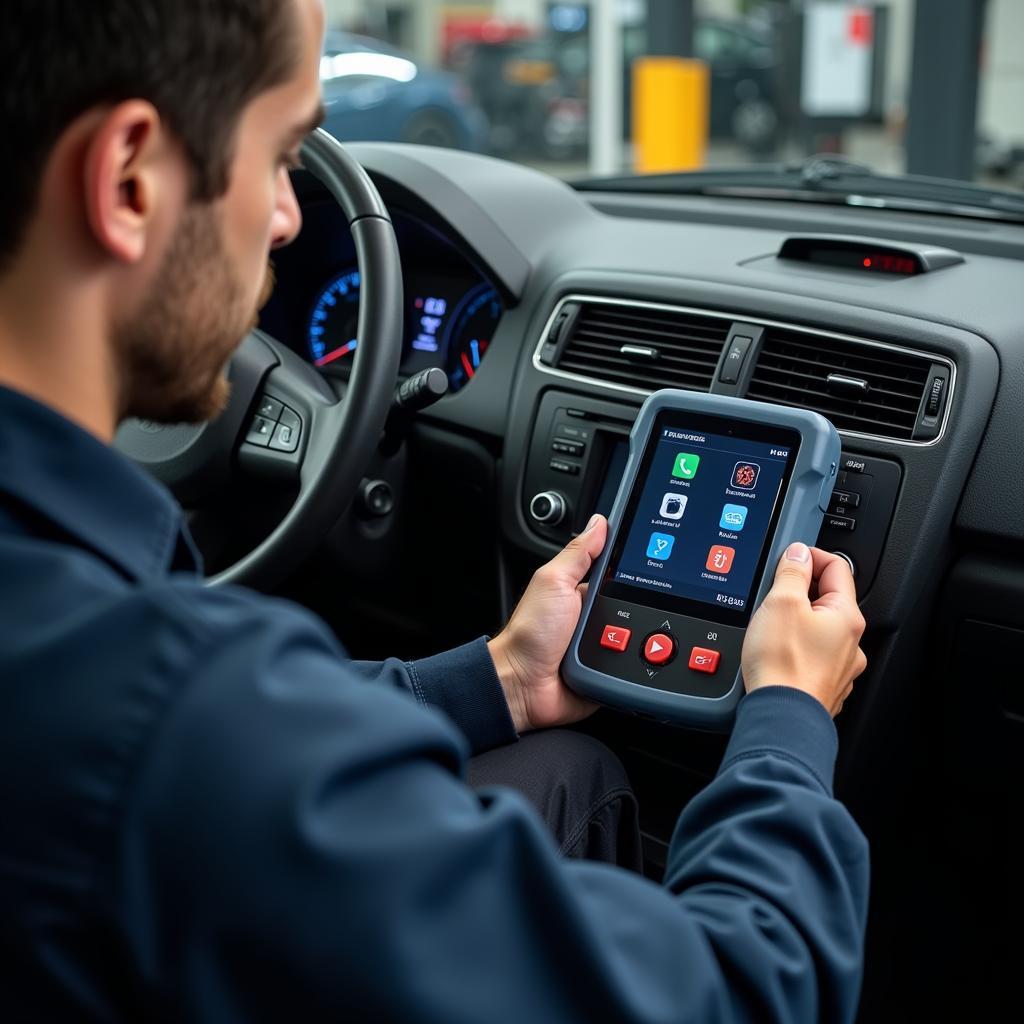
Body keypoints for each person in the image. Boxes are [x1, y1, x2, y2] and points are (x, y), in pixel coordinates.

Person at [0, 1, 869, 1021]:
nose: (288, 217)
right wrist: (785, 722)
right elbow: (749, 990)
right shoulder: (160, 721)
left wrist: (497, 675)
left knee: (567, 762)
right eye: (282, 156)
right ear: (129, 180)